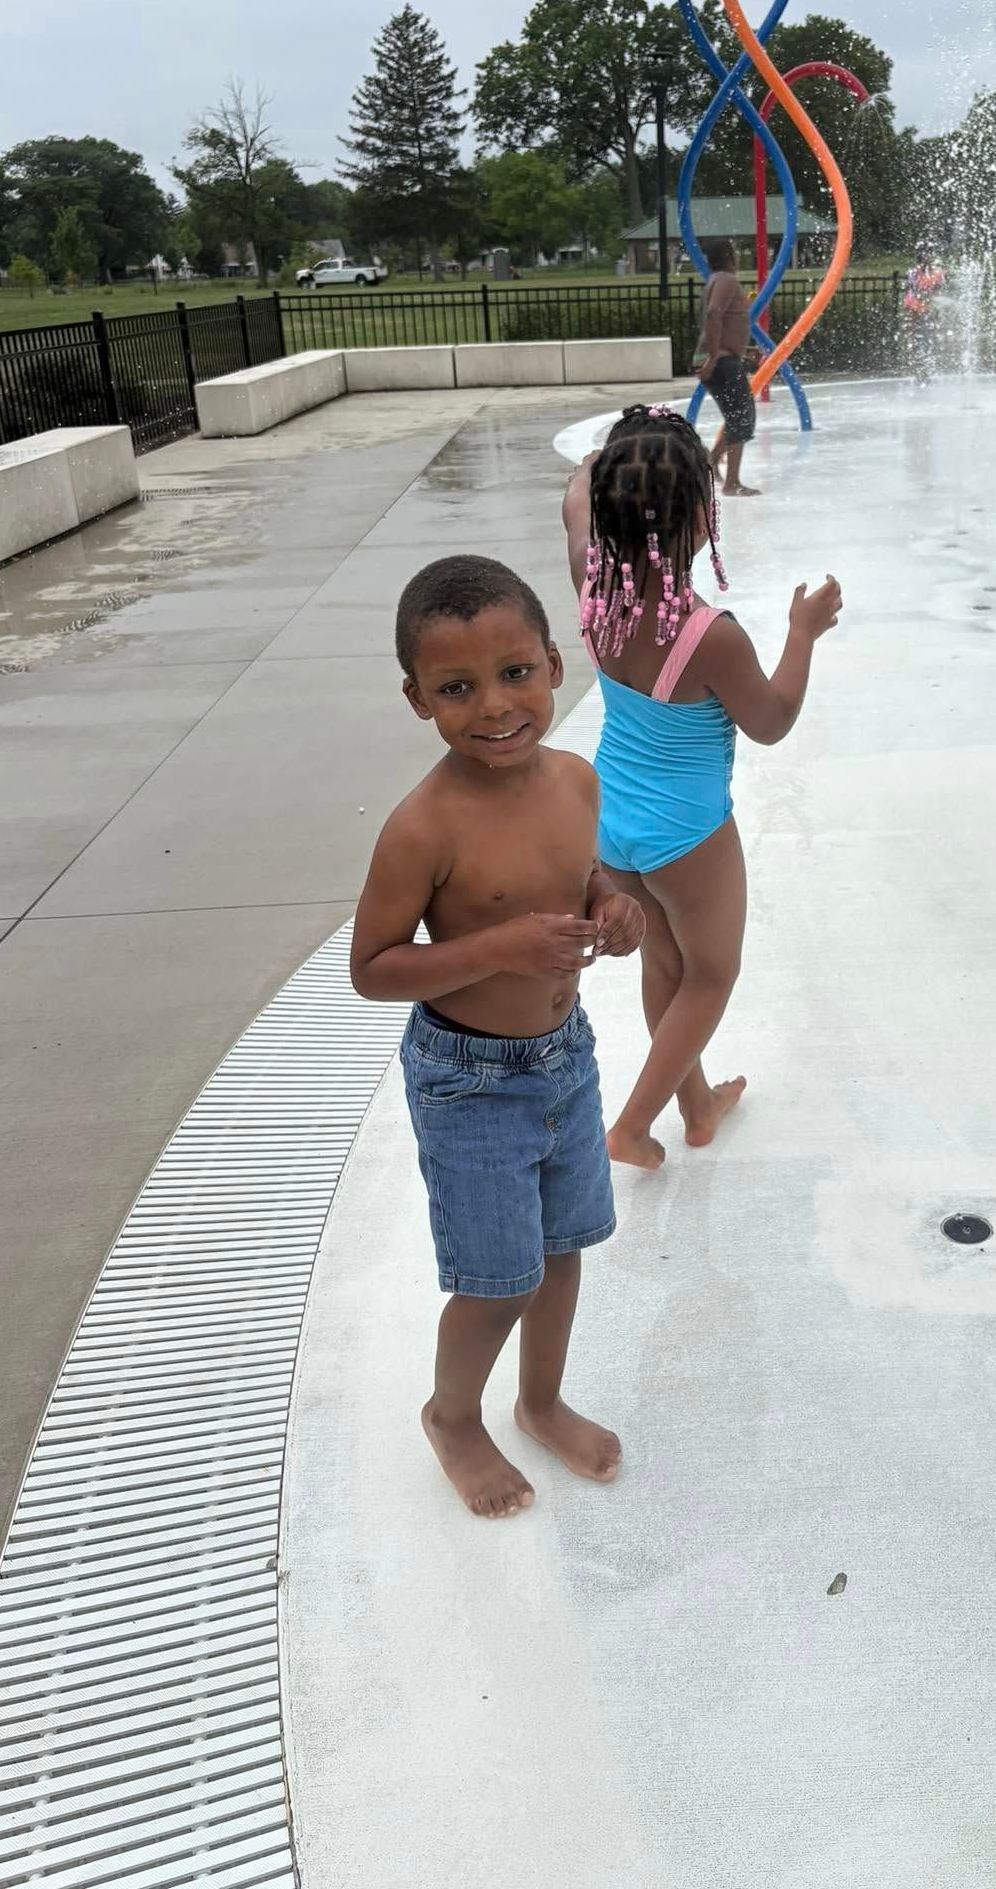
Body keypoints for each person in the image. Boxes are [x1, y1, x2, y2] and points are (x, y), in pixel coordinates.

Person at [349, 555, 645, 1519]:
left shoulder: (574, 780)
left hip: (566, 1057)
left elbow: (582, 876)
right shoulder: (422, 827)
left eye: (515, 672)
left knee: (562, 1251)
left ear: (556, 666)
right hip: (471, 1081)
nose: (494, 706)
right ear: (416, 699)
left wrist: (612, 906)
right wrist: (500, 948)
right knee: (496, 1278)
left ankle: (541, 1400)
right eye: (456, 688)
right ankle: (452, 1416)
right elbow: (373, 969)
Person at [561, 404, 842, 1170]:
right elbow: (772, 719)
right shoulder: (705, 633)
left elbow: (573, 501)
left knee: (666, 966)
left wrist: (616, 456)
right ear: (696, 520)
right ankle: (631, 1125)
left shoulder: (594, 584)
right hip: (687, 834)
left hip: (608, 821)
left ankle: (697, 1104)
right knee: (712, 975)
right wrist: (802, 635)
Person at [696, 238, 759, 496]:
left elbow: (724, 323)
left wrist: (742, 352)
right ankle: (731, 483)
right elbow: (713, 314)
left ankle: (712, 462)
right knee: (742, 417)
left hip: (721, 359)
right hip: (720, 361)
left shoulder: (715, 280)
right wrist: (714, 357)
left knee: (736, 417)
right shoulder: (726, 280)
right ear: (730, 256)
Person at [903, 247, 946, 383]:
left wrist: (933, 297)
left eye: (928, 259)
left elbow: (940, 288)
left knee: (928, 338)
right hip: (914, 307)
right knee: (916, 339)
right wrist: (926, 296)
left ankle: (926, 371)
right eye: (923, 259)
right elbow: (913, 289)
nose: (926, 262)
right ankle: (919, 372)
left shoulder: (938, 273)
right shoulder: (914, 273)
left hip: (928, 308)